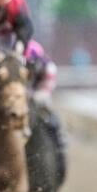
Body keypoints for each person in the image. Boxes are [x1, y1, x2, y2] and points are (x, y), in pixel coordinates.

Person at [25, 40, 67, 178]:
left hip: (40, 96)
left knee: (51, 117)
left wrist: (31, 96)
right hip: (25, 96)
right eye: (26, 65)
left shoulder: (49, 68)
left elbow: (45, 91)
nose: (29, 69)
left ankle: (59, 142)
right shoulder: (20, 66)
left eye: (31, 65)